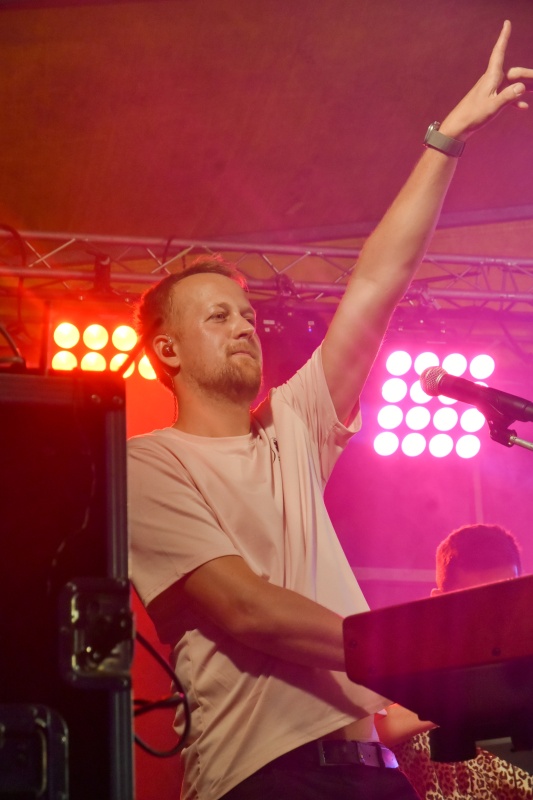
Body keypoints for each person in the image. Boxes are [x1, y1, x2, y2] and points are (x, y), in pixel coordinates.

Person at [127, 22, 533, 800]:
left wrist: (445, 139)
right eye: (217, 316)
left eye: (246, 314)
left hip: (371, 770)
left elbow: (377, 282)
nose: (243, 326)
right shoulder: (145, 463)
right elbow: (248, 611)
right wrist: (416, 653)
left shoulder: (290, 427)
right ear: (166, 351)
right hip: (262, 778)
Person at [391, 523, 533, 800]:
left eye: (505, 598)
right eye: (474, 603)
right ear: (439, 604)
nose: (492, 617)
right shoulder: (404, 673)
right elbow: (375, 730)